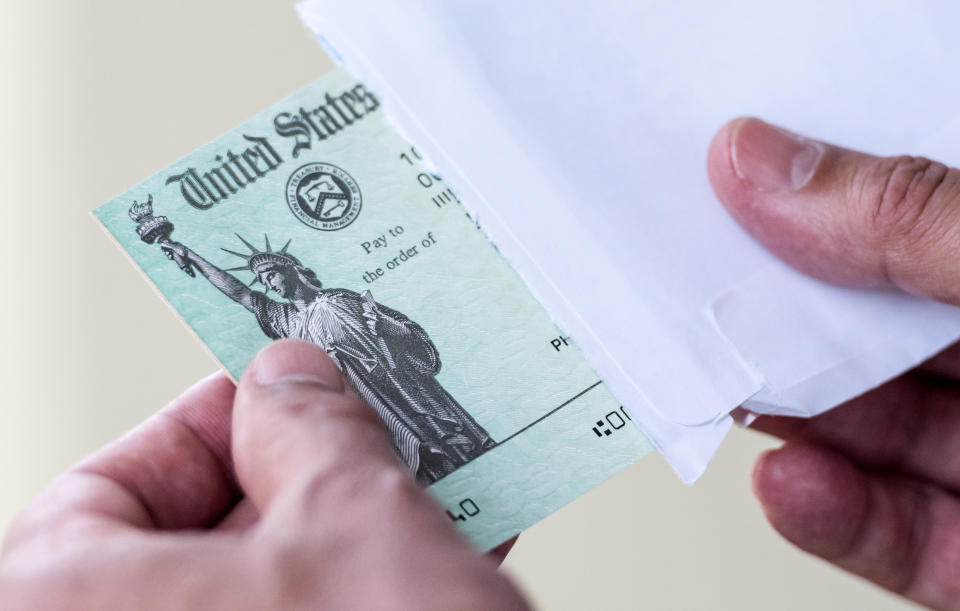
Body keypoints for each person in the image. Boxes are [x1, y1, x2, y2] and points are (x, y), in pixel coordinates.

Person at [3, 116, 960, 608]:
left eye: (282, 259)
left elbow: (422, 340)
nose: (277, 268)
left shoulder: (341, 299)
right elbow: (227, 284)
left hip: (437, 410)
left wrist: (399, 353)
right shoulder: (283, 314)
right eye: (269, 269)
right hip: (401, 426)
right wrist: (178, 249)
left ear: (301, 259)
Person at [158, 237, 496, 484]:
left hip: (402, 386)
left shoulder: (344, 298)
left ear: (291, 270)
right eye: (264, 281)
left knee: (452, 445)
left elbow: (406, 333)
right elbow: (242, 295)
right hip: (365, 401)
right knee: (413, 461)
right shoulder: (286, 319)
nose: (268, 285)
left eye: (271, 275)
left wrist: (383, 324)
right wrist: (191, 254)